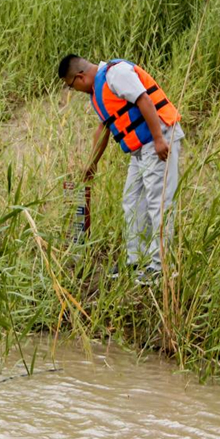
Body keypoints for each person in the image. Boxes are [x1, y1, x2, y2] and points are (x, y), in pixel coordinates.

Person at [57, 55, 184, 286]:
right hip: (140, 148)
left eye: (70, 86)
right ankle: (136, 260)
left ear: (80, 77)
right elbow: (103, 130)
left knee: (159, 203)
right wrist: (91, 164)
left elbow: (144, 100)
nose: (73, 90)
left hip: (159, 139)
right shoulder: (97, 93)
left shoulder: (116, 74)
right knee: (132, 201)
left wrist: (158, 139)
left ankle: (162, 267)